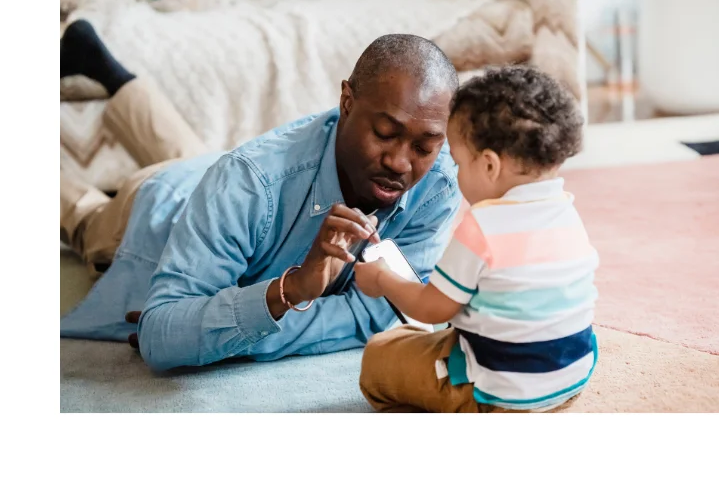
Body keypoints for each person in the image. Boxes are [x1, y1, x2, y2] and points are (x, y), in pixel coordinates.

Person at [60, 20, 461, 372]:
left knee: (205, 162)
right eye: (386, 134)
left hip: (214, 174)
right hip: (160, 208)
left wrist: (223, 341)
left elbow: (371, 315)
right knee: (91, 220)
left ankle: (106, 70)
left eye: (424, 146)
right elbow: (164, 336)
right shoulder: (247, 181)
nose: (400, 163)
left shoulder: (439, 181)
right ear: (346, 102)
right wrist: (291, 291)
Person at [354, 66, 599, 412]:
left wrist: (382, 278)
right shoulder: (566, 212)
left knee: (380, 355)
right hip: (569, 379)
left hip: (496, 396)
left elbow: (431, 307)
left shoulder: (483, 225)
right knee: (438, 337)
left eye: (458, 164)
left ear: (488, 165)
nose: (456, 176)